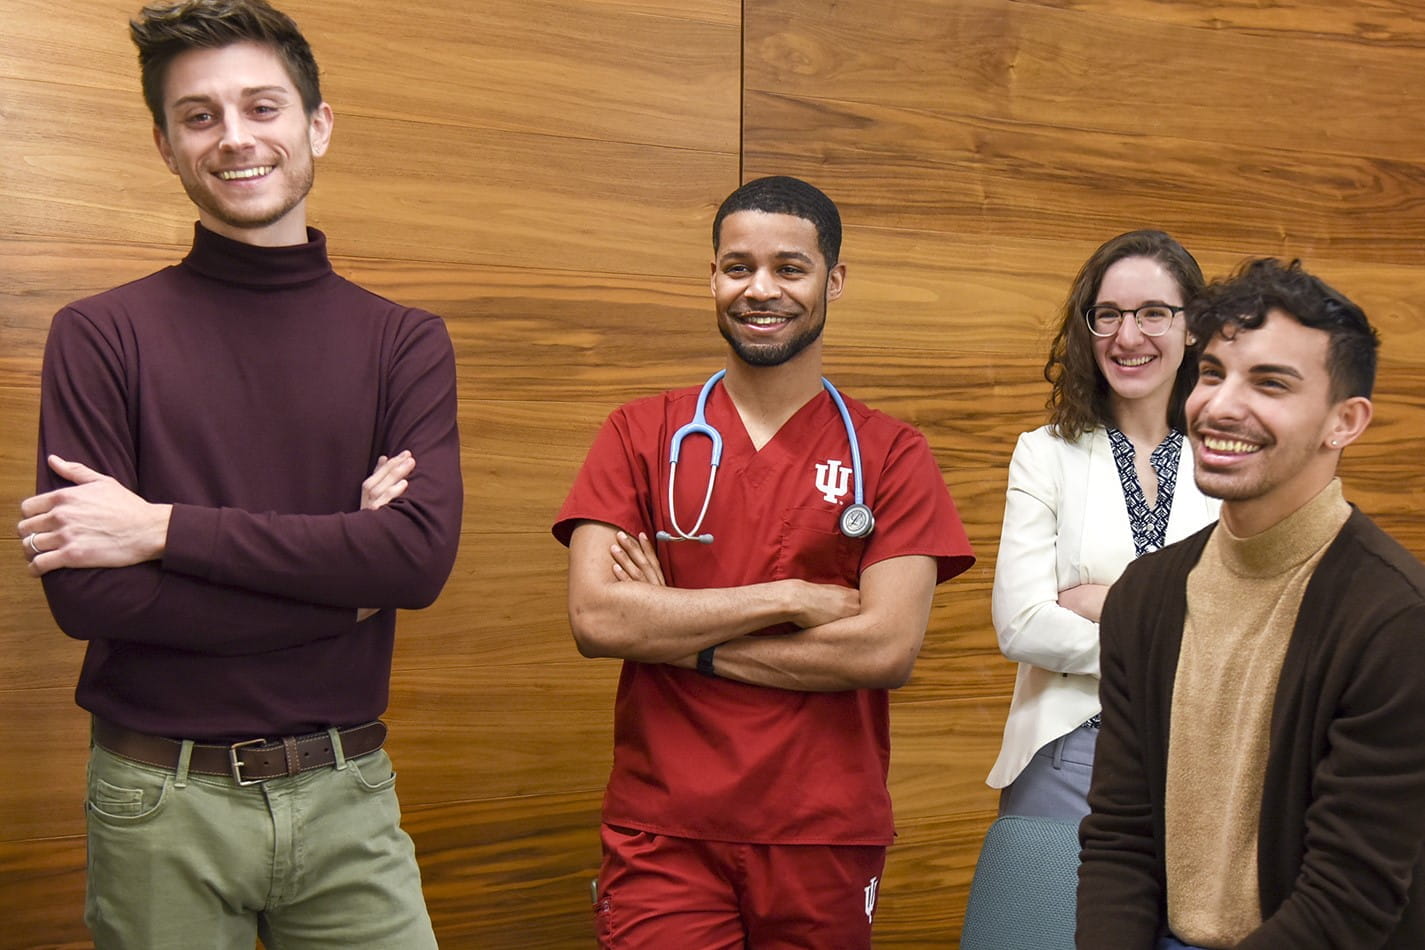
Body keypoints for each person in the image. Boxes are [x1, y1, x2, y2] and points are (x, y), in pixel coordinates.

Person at [14, 1, 461, 946]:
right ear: (166, 145)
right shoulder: (100, 336)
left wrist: (164, 530)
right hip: (157, 801)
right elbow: (92, 602)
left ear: (317, 125)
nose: (235, 138)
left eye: (263, 107)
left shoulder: (403, 343)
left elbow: (414, 565)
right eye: (199, 116)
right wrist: (341, 589)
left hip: (350, 796)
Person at [552, 175, 974, 948]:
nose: (760, 289)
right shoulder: (641, 433)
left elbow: (883, 647)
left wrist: (678, 636)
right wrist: (791, 596)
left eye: (789, 267)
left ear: (832, 280)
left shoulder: (891, 454)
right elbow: (598, 616)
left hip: (823, 829)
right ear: (711, 276)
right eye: (737, 266)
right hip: (665, 827)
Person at [1077, 258, 1425, 949]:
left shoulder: (1395, 617)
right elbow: (1120, 841)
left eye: (1268, 383)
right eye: (1210, 374)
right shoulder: (1143, 597)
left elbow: (1346, 900)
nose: (1218, 405)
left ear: (1343, 422)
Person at [987, 230, 1219, 820]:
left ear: (1191, 327)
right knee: (1047, 917)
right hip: (1070, 753)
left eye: (1154, 314)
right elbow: (1021, 626)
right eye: (1108, 315)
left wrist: (1108, 602)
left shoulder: (1230, 458)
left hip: (1203, 758)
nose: (1128, 336)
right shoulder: (1045, 454)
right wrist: (1176, 633)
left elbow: (1250, 623)